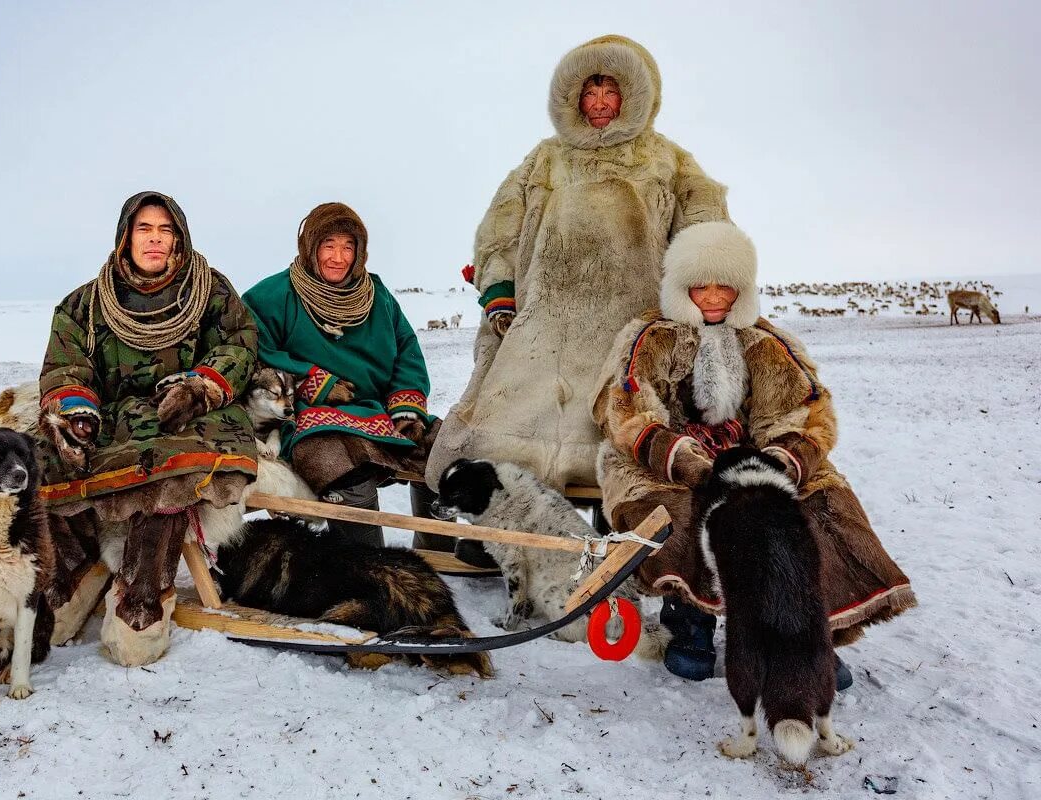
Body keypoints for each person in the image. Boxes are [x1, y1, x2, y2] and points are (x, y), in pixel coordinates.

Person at [592, 221, 916, 684]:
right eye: (700, 286)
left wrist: (779, 460)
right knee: (680, 513)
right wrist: (682, 457)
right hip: (666, 460)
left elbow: (802, 409)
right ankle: (690, 626)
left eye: (725, 285)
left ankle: (808, 633)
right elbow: (627, 407)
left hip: (749, 456)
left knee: (819, 506)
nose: (713, 297)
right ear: (681, 287)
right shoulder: (650, 336)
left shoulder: (763, 341)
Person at [426, 34, 731, 494]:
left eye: (611, 91)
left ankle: (623, 526)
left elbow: (705, 233)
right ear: (573, 97)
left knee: (626, 434)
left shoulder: (668, 160)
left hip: (631, 325)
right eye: (590, 91)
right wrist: (499, 291)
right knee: (504, 427)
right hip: (546, 322)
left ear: (634, 96)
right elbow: (501, 230)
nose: (600, 102)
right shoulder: (546, 159)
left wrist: (701, 292)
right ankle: (493, 518)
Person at [36, 191, 259, 667]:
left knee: (171, 468)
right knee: (48, 458)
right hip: (113, 413)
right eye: (144, 229)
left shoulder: (211, 290)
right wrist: (77, 412)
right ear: (125, 236)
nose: (155, 240)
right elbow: (66, 365)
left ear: (179, 239)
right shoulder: (86, 304)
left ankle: (143, 603)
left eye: (165, 231)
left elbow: (240, 344)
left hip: (186, 413)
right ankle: (68, 582)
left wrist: (201, 387)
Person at [243, 203, 439, 547]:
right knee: (338, 461)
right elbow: (255, 348)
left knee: (444, 446)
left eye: (348, 247)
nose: (338, 257)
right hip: (313, 416)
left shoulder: (377, 297)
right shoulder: (274, 296)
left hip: (378, 409)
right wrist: (313, 381)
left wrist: (406, 407)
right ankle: (368, 561)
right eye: (328, 245)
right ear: (310, 246)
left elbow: (407, 348)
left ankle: (438, 543)